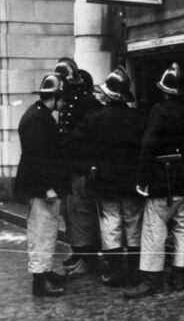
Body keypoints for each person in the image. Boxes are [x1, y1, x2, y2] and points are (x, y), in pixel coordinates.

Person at [124, 63, 184, 299]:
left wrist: (142, 179)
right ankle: (179, 275)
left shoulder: (159, 111)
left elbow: (148, 145)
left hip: (164, 180)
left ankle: (152, 279)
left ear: (164, 90)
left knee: (154, 230)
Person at [64, 67, 147, 287]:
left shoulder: (94, 119)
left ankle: (115, 273)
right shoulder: (139, 118)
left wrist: (91, 160)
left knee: (110, 224)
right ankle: (136, 272)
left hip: (105, 181)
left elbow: (72, 143)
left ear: (108, 94)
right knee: (133, 224)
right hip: (132, 182)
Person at [12, 73, 69, 297]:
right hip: (41, 188)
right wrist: (47, 187)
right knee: (42, 231)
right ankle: (40, 282)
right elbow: (37, 157)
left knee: (46, 230)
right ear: (54, 97)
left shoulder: (39, 114)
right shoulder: (38, 119)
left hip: (40, 186)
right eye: (62, 98)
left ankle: (45, 273)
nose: (64, 104)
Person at [55, 59, 103, 276]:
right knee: (70, 212)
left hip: (82, 167)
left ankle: (88, 258)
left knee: (82, 213)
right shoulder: (70, 103)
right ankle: (78, 251)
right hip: (69, 166)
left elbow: (84, 136)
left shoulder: (88, 105)